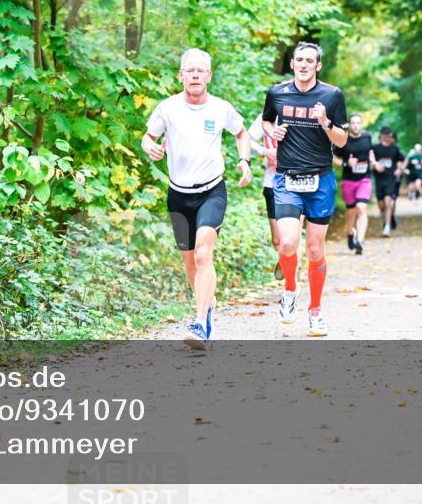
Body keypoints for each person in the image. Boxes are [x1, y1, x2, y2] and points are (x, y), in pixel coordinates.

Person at [142, 48, 252, 350]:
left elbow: (241, 133)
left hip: (211, 191)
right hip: (178, 195)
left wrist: (245, 161)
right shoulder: (167, 108)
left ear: (208, 76)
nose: (194, 75)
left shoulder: (221, 108)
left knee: (204, 253)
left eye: (200, 70)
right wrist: (149, 147)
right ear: (180, 75)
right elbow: (148, 137)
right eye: (189, 70)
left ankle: (201, 323)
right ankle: (207, 304)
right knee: (191, 263)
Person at [258, 41, 348, 337]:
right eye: (300, 59)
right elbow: (267, 122)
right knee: (286, 243)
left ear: (318, 66)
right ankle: (290, 290)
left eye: (310, 60)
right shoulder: (278, 92)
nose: (304, 64)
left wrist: (324, 122)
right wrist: (275, 131)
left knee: (314, 249)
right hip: (286, 180)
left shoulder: (332, 95)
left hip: (320, 181)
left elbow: (342, 140)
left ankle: (316, 311)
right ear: (293, 63)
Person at [333, 113, 375, 255]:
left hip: (365, 179)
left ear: (361, 125)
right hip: (349, 180)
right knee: (350, 213)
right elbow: (333, 157)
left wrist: (373, 161)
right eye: (353, 123)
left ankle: (360, 242)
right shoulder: (343, 140)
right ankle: (350, 233)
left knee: (361, 208)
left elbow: (370, 152)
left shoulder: (367, 137)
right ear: (349, 125)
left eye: (358, 123)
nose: (356, 125)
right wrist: (346, 163)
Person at [248, 120, 283, 279]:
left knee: (291, 236)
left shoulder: (297, 112)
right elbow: (246, 139)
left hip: (296, 183)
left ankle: (290, 282)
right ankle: (285, 259)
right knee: (277, 240)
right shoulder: (264, 118)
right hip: (272, 181)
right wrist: (264, 151)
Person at [372, 127, 405, 237]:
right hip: (379, 179)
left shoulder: (394, 148)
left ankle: (387, 227)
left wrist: (399, 169)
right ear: (381, 135)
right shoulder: (375, 148)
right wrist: (375, 165)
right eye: (385, 134)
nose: (387, 137)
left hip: (390, 179)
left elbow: (403, 160)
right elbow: (370, 160)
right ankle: (387, 218)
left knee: (388, 202)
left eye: (389, 135)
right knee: (381, 205)